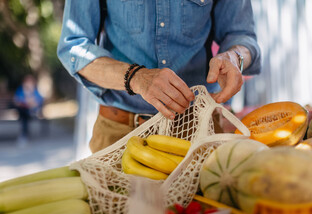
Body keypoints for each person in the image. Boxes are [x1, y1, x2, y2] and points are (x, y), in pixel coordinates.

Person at [57, 0, 261, 153]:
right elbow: (73, 47)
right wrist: (137, 78)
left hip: (200, 132)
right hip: (119, 135)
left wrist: (235, 57)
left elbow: (241, 35)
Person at [13, 75, 44, 145]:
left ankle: (24, 135)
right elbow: (16, 100)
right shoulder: (20, 90)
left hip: (32, 111)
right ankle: (24, 135)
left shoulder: (35, 91)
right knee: (24, 113)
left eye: (30, 82)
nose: (28, 83)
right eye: (27, 82)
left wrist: (29, 95)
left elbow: (37, 103)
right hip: (23, 110)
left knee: (24, 115)